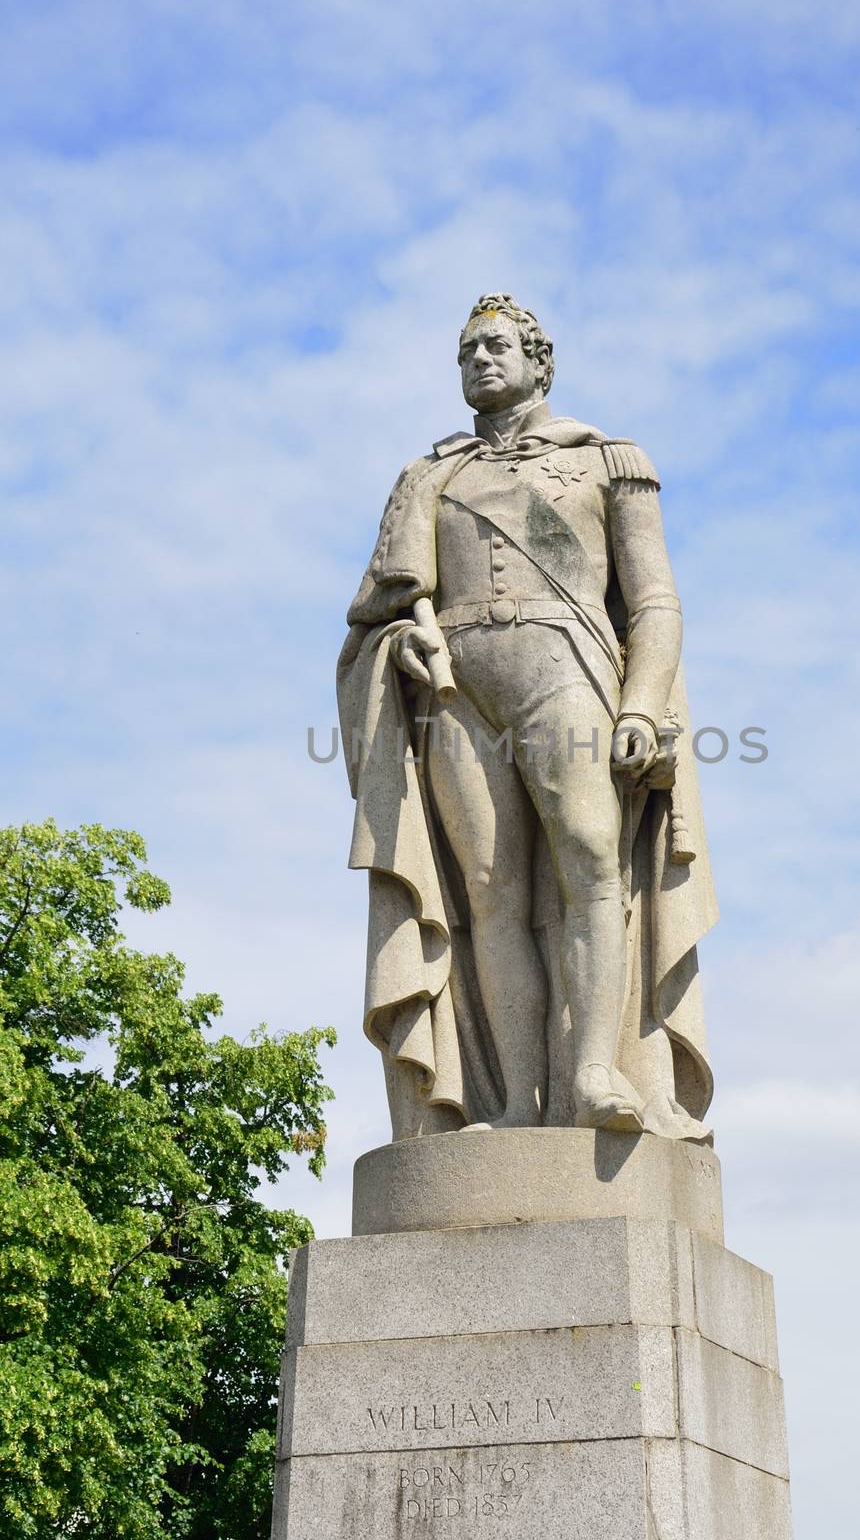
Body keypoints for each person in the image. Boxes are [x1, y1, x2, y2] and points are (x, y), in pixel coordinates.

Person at [338, 294, 717, 1141]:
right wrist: (401, 643)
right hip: (457, 688)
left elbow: (654, 603)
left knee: (590, 863)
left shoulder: (608, 462)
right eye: (467, 349)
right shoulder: (430, 477)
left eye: (497, 346)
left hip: (566, 674)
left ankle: (592, 1070)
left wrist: (642, 704)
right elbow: (380, 610)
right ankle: (509, 1104)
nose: (480, 360)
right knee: (485, 892)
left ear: (539, 362)